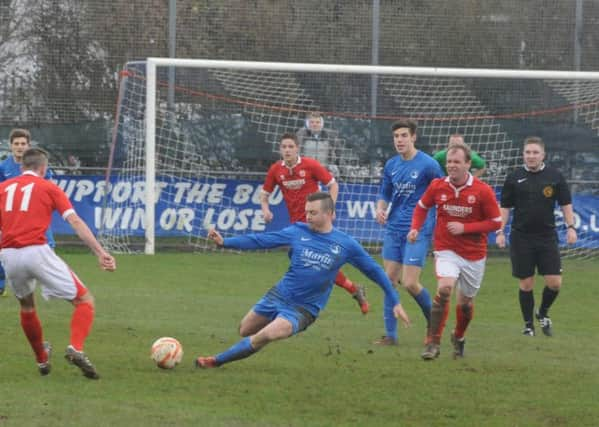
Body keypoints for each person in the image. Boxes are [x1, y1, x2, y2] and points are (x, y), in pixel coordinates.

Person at [195, 192, 411, 369]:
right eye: (307, 212)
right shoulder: (297, 231)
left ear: (329, 214)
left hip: (304, 309)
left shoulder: (346, 244)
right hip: (279, 294)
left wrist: (395, 301)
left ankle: (216, 360)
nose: (307, 216)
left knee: (267, 334)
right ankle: (273, 325)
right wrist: (226, 242)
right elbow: (260, 240)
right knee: (245, 329)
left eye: (313, 213)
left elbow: (376, 272)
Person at [0, 148, 116, 378]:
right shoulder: (49, 187)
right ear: (43, 168)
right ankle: (76, 347)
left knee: (27, 306)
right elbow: (75, 222)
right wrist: (100, 252)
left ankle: (42, 361)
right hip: (37, 252)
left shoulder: (3, 188)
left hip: (9, 255)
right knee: (84, 300)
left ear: (22, 167)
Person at [408, 144, 501, 360]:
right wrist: (415, 227)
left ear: (468, 164)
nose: (451, 166)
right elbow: (421, 207)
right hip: (445, 249)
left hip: (474, 254)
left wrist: (465, 228)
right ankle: (433, 342)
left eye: (457, 162)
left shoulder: (482, 191)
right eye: (449, 162)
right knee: (445, 289)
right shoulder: (437, 186)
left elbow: (496, 222)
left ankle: (458, 336)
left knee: (466, 304)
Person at [260, 133, 369, 314]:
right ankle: (354, 289)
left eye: (290, 147)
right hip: (297, 226)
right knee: (314, 262)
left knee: (313, 260)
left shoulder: (310, 165)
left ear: (297, 149)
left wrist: (329, 209)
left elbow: (333, 185)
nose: (287, 150)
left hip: (316, 222)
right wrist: (265, 209)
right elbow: (264, 194)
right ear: (280, 149)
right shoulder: (276, 170)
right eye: (284, 147)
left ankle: (295, 301)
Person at [496, 136, 577, 337]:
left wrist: (571, 227)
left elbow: (566, 203)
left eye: (535, 152)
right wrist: (500, 231)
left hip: (547, 237)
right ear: (523, 154)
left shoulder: (555, 176)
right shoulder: (514, 177)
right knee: (526, 283)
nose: (531, 156)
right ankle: (528, 325)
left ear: (543, 155)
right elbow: (505, 207)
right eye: (528, 152)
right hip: (521, 237)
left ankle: (543, 312)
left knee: (554, 283)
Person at [374, 119, 443, 345]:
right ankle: (391, 336)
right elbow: (385, 193)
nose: (400, 140)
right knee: (389, 281)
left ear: (414, 137)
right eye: (396, 137)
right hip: (394, 229)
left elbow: (442, 193)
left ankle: (434, 327)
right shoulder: (392, 165)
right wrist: (380, 210)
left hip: (418, 230)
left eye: (404, 135)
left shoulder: (429, 165)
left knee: (410, 283)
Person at [0, 128, 56, 297]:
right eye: (16, 143)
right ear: (10, 146)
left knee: (49, 248)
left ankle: (51, 285)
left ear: (28, 145)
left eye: (23, 143)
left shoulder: (38, 166)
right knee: (4, 250)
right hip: (12, 219)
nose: (19, 147)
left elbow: (49, 189)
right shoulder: (3, 167)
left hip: (35, 216)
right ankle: (1, 284)